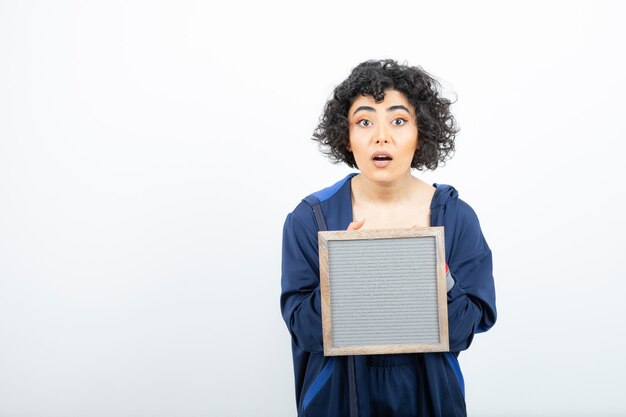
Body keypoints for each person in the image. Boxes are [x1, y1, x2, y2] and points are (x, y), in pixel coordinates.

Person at [280, 59, 496, 417]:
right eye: (364, 121)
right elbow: (304, 329)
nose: (381, 136)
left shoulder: (455, 216)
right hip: (338, 399)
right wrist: (346, 270)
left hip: (431, 400)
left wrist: (435, 275)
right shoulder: (309, 219)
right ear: (346, 137)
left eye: (399, 120)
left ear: (421, 132)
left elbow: (464, 329)